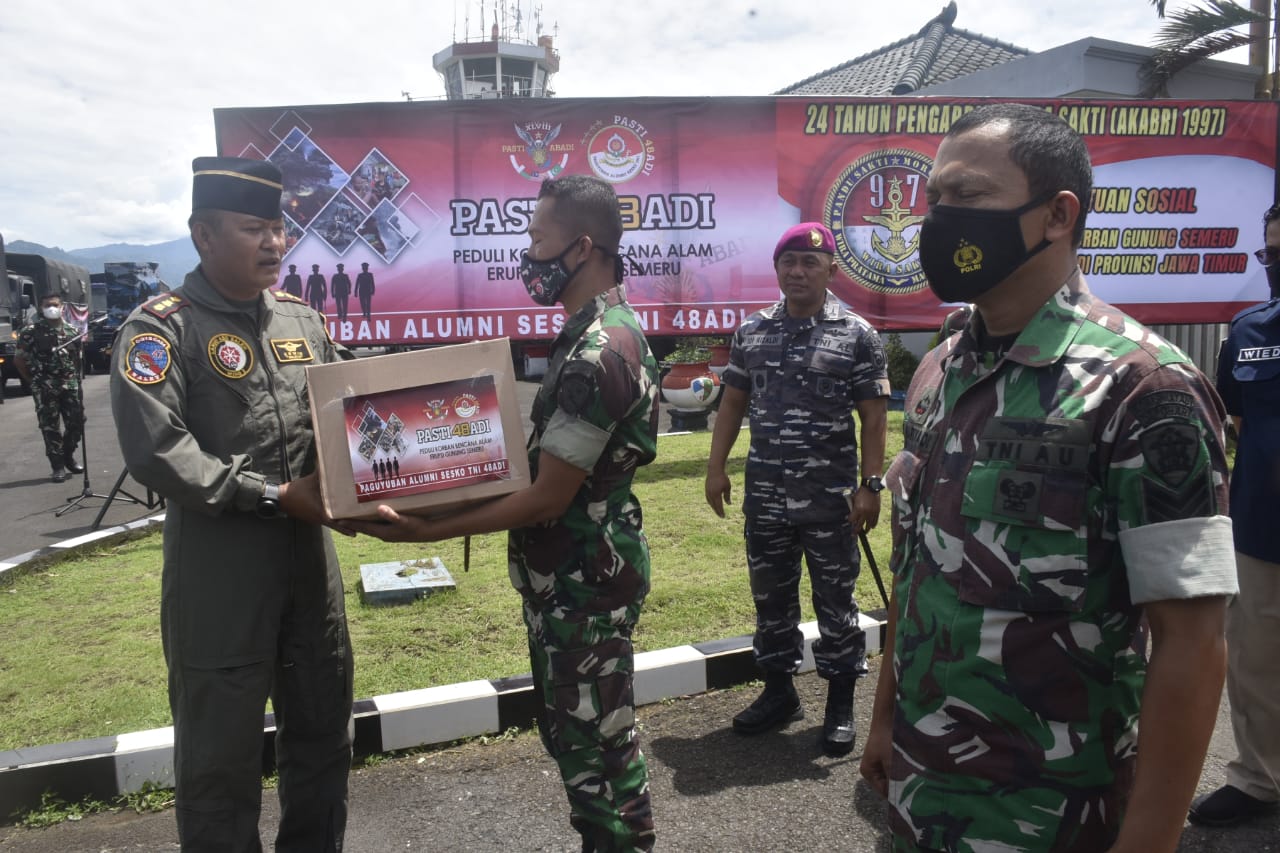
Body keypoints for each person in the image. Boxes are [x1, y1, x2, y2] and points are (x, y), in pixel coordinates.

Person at [858, 103, 1237, 853]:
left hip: (1056, 813)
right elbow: (917, 568)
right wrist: (882, 718)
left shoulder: (1145, 388)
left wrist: (1150, 840)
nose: (938, 220)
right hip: (920, 789)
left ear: (1058, 213)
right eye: (936, 200)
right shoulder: (940, 368)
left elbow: (1192, 641)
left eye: (965, 197)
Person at [336, 174, 659, 851]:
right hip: (573, 581)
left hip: (581, 589)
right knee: (588, 746)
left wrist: (430, 526)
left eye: (538, 239)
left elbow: (547, 495)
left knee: (599, 761)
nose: (527, 254)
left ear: (582, 247)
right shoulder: (595, 333)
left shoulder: (598, 350)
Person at [109, 156, 354, 852]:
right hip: (220, 584)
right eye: (254, 228)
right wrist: (275, 494)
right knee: (219, 768)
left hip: (310, 577)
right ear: (202, 235)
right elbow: (160, 450)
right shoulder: (160, 331)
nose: (274, 242)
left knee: (322, 747)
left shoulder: (302, 321)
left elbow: (344, 423)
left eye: (279, 227)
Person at [704, 222, 889, 756]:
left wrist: (870, 487)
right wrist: (716, 469)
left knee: (836, 601)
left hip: (831, 499)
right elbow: (733, 403)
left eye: (810, 263)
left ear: (832, 268)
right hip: (766, 495)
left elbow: (874, 419)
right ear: (777, 269)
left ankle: (838, 704)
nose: (798, 271)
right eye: (789, 262)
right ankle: (780, 692)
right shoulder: (753, 332)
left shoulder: (856, 335)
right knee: (772, 599)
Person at [1187, 203, 1280, 828]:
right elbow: (1241, 424)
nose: (1276, 264)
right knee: (1256, 659)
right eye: (1270, 253)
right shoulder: (1247, 331)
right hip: (1262, 526)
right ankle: (1260, 778)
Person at [15, 293, 86, 482]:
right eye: (47, 305)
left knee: (77, 422)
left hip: (69, 384)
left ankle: (68, 455)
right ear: (41, 307)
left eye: (55, 304)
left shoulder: (72, 331)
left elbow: (76, 359)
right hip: (45, 385)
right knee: (50, 426)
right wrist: (32, 381)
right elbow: (19, 358)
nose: (52, 308)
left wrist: (77, 379)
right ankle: (58, 466)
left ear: (62, 307)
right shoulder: (30, 331)